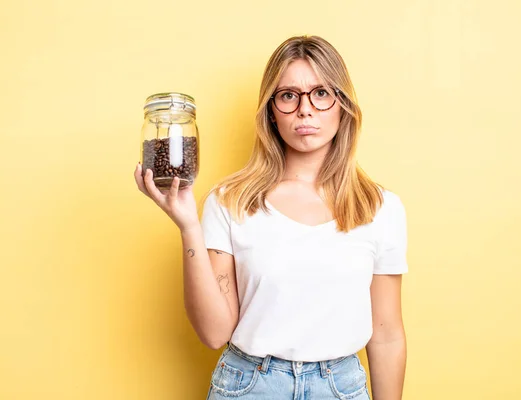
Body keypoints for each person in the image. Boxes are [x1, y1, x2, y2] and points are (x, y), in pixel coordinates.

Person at [134, 35, 408, 400]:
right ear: (271, 111)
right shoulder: (230, 200)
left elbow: (387, 333)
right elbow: (215, 333)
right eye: (289, 95)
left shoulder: (380, 208)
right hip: (249, 386)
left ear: (342, 106)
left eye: (322, 93)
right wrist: (188, 226)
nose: (305, 109)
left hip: (340, 388)